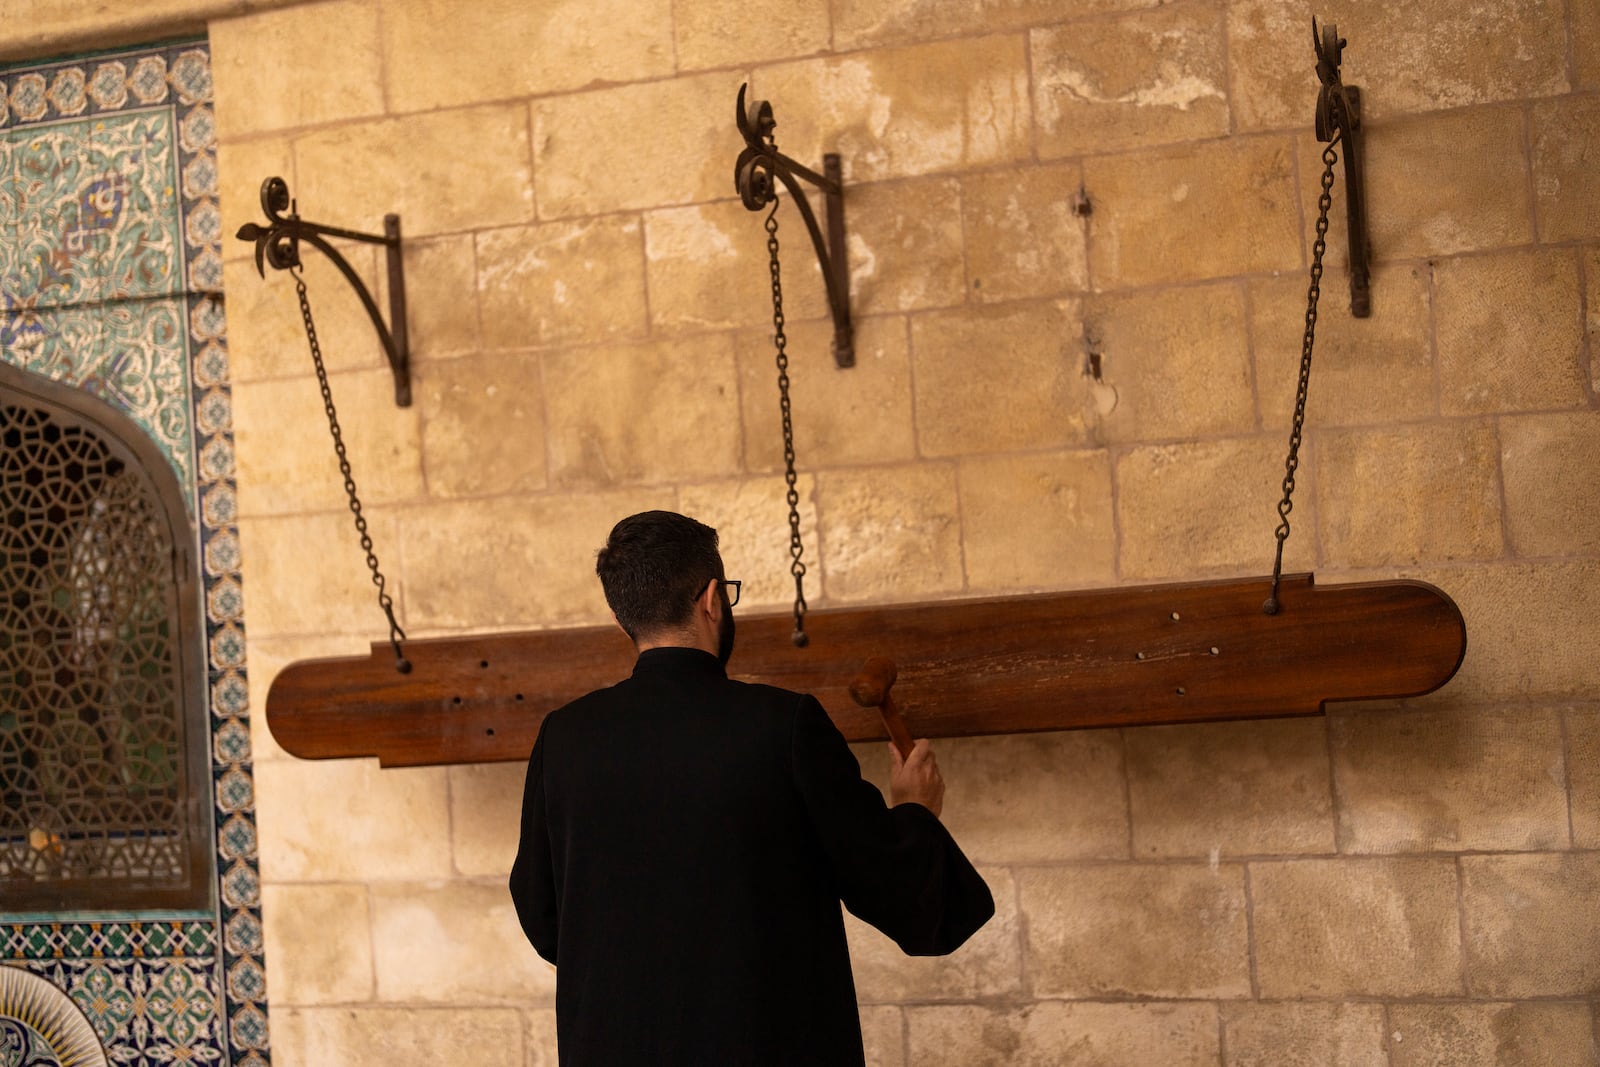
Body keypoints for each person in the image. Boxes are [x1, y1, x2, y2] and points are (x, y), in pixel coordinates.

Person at [509, 510, 994, 1066]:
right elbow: (905, 899)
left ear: (626, 621)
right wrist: (916, 812)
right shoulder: (784, 726)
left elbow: (543, 915)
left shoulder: (564, 737)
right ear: (713, 599)